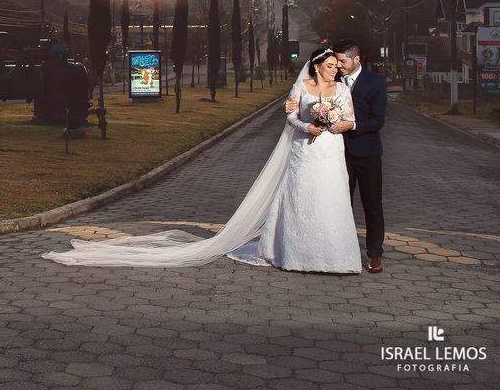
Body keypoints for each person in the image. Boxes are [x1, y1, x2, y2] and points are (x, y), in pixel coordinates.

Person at [42, 48, 361, 273]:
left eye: (337, 65)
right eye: (330, 65)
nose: (335, 69)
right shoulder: (302, 87)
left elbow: (351, 120)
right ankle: (296, 255)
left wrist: (335, 126)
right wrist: (308, 126)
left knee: (331, 198)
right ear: (317, 66)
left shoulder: (342, 89)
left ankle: (336, 256)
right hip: (306, 150)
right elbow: (290, 116)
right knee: (302, 198)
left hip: (331, 151)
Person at [330, 38, 388, 273]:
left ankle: (375, 254)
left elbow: (378, 120)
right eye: (336, 61)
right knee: (340, 205)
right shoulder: (331, 80)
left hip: (367, 154)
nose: (338, 66)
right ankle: (341, 251)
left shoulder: (376, 82)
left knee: (372, 205)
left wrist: (351, 125)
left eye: (342, 61)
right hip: (337, 153)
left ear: (356, 59)